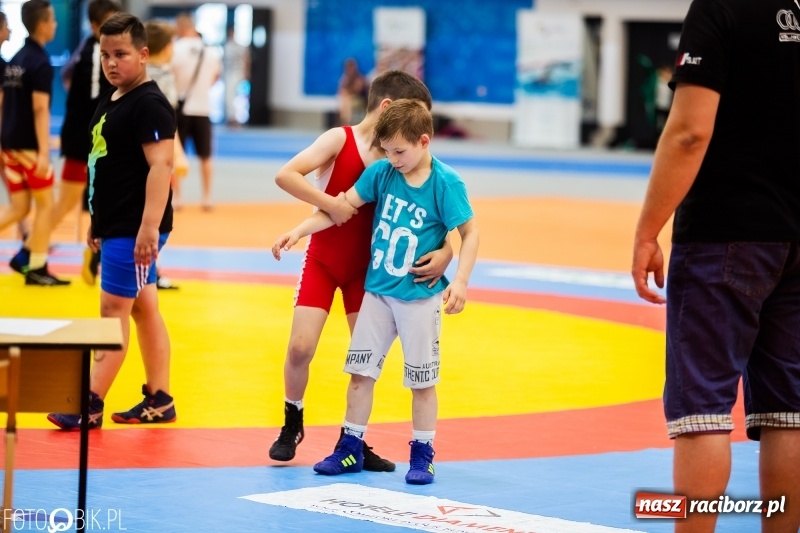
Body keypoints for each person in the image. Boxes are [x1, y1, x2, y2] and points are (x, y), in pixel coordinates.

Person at [631, 1, 800, 532]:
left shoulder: (720, 8)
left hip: (724, 235)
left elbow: (688, 132)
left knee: (701, 411)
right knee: (788, 413)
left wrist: (647, 229)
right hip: (796, 234)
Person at [273, 99, 479, 484]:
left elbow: (469, 232)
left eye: (399, 151)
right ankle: (350, 448)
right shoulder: (383, 173)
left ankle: (423, 454)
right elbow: (341, 207)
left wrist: (462, 279)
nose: (392, 158)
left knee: (422, 381)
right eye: (386, 151)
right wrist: (299, 231)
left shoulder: (446, 182)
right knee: (360, 374)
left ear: (424, 141)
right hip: (378, 292)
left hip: (419, 296)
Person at [47, 12, 177, 430]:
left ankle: (91, 402)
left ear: (142, 54)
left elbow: (161, 167)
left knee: (112, 310)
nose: (111, 63)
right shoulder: (116, 95)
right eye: (105, 55)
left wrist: (148, 229)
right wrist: (95, 219)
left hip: (134, 228)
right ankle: (160, 398)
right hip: (117, 223)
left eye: (120, 54)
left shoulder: (150, 104)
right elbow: (105, 163)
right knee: (143, 308)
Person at [0, 0, 68, 285]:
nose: (55, 25)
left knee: (19, 208)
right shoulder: (39, 62)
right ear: (42, 25)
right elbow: (40, 110)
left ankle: (29, 259)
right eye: (53, 20)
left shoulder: (16, 58)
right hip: (28, 146)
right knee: (45, 205)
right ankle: (37, 267)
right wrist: (43, 151)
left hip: (9, 143)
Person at [145, 19, 188, 290]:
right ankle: (149, 267)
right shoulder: (163, 76)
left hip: (139, 150)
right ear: (165, 47)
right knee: (159, 214)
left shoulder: (139, 72)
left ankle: (150, 267)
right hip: (159, 152)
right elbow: (168, 120)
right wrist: (179, 154)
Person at [171, 12, 221, 210]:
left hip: (179, 108)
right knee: (206, 156)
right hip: (203, 108)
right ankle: (207, 197)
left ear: (179, 28)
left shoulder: (174, 49)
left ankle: (178, 198)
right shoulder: (210, 51)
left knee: (176, 154)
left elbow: (169, 77)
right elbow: (215, 78)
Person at [222, 26, 249, 127]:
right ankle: (230, 117)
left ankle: (237, 117)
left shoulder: (240, 47)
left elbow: (246, 58)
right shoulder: (226, 46)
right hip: (228, 74)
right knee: (228, 96)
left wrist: (246, 72)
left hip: (238, 73)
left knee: (238, 97)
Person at [337, 58, 367, 126]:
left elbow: (357, 90)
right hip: (348, 99)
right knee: (345, 101)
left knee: (347, 102)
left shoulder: (360, 78)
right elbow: (341, 90)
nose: (351, 68)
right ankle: (345, 122)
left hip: (360, 100)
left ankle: (346, 123)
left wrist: (347, 92)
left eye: (352, 66)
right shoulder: (345, 78)